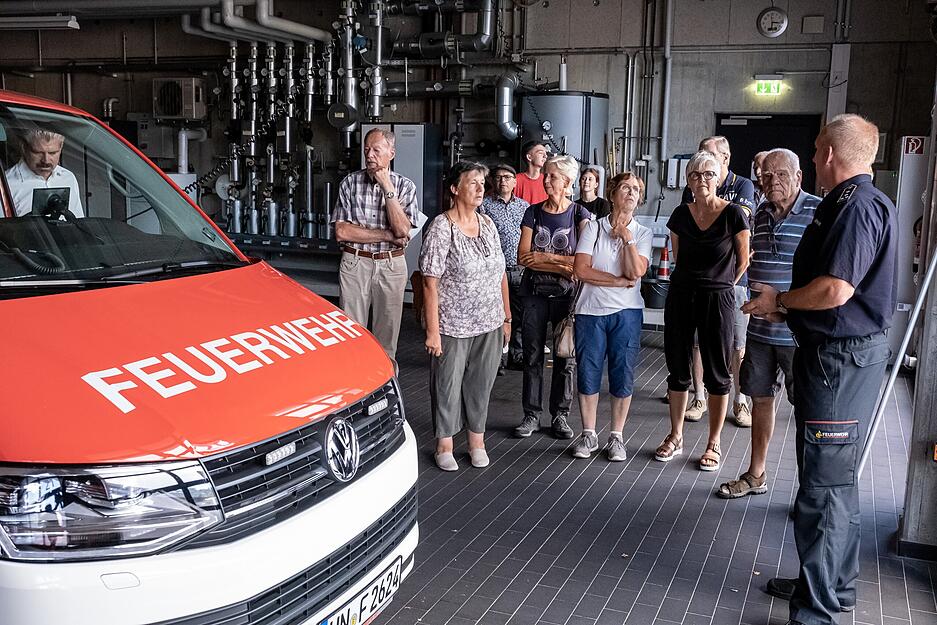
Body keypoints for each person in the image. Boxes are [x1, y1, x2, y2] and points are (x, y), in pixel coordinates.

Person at [744, 115, 897, 625]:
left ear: (831, 153)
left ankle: (817, 610)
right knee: (835, 482)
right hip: (839, 356)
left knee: (824, 490)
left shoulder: (856, 207)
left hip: (838, 360)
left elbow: (836, 290)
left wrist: (780, 301)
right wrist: (785, 308)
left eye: (815, 150)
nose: (813, 159)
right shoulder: (851, 203)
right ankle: (833, 584)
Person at [717, 148, 819, 499]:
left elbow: (826, 278)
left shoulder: (818, 213)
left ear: (799, 176)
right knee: (760, 399)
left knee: (808, 408)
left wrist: (785, 308)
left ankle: (810, 489)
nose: (772, 181)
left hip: (798, 332)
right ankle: (756, 474)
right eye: (765, 175)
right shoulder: (759, 213)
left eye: (781, 174)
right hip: (760, 330)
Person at [655, 150, 750, 471]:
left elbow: (743, 259)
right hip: (681, 295)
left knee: (718, 372)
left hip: (719, 298)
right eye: (695, 175)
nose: (702, 180)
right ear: (688, 180)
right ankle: (676, 435)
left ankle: (714, 443)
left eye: (709, 174)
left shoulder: (734, 213)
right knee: (678, 366)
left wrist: (720, 283)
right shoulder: (681, 214)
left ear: (720, 177)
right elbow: (678, 257)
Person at [421, 161, 511, 472]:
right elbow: (429, 282)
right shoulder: (441, 227)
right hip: (452, 324)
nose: (480, 188)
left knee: (481, 383)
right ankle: (444, 443)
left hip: (489, 321)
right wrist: (433, 331)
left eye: (482, 182)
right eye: (472, 182)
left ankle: (477, 441)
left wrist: (506, 318)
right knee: (447, 383)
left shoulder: (487, 224)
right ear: (454, 188)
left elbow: (500, 274)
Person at [570, 172, 651, 461]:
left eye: (636, 190)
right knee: (588, 371)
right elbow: (581, 270)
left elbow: (636, 272)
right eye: (626, 188)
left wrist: (627, 238)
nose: (631, 193)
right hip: (590, 311)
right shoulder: (592, 228)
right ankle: (588, 433)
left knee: (623, 373)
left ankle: (616, 436)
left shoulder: (642, 233)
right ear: (613, 193)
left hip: (627, 313)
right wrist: (616, 282)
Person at [514, 154, 592, 439]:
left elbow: (581, 262)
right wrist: (562, 262)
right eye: (546, 175)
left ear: (568, 182)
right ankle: (531, 414)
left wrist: (546, 257)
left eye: (552, 177)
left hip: (566, 296)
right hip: (534, 293)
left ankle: (560, 415)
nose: (546, 180)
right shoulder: (532, 212)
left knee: (565, 356)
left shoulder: (580, 215)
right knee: (532, 355)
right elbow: (523, 257)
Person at [681, 136, 756, 427]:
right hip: (698, 282)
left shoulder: (743, 186)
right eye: (698, 159)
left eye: (708, 157)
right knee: (698, 342)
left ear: (724, 158)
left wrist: (727, 281)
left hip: (733, 283)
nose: (702, 166)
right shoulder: (692, 189)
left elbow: (738, 231)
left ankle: (741, 401)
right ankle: (699, 396)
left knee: (737, 343)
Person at [332, 128, 421, 369]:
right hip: (355, 263)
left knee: (387, 332)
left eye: (376, 150)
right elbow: (342, 232)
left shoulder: (405, 187)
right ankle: (354, 381)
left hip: (391, 265)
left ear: (391, 153)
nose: (369, 155)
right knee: (352, 331)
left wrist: (386, 187)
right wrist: (385, 235)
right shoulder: (350, 183)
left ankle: (384, 386)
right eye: (366, 150)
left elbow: (402, 231)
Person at [479, 163, 529, 370]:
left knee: (518, 315)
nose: (503, 181)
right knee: (496, 316)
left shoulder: (524, 206)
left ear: (515, 182)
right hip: (494, 270)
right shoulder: (484, 205)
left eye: (508, 177)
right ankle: (496, 360)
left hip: (518, 268)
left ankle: (516, 356)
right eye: (499, 177)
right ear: (492, 181)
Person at [6, 128, 84, 217]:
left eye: (52, 153)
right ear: (24, 148)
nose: (46, 160)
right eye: (38, 153)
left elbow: (78, 221)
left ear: (61, 147)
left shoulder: (68, 177)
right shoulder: (6, 183)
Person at [515, 141, 549, 205]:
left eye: (545, 153)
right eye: (540, 153)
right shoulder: (515, 180)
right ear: (529, 157)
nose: (545, 156)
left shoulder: (547, 180)